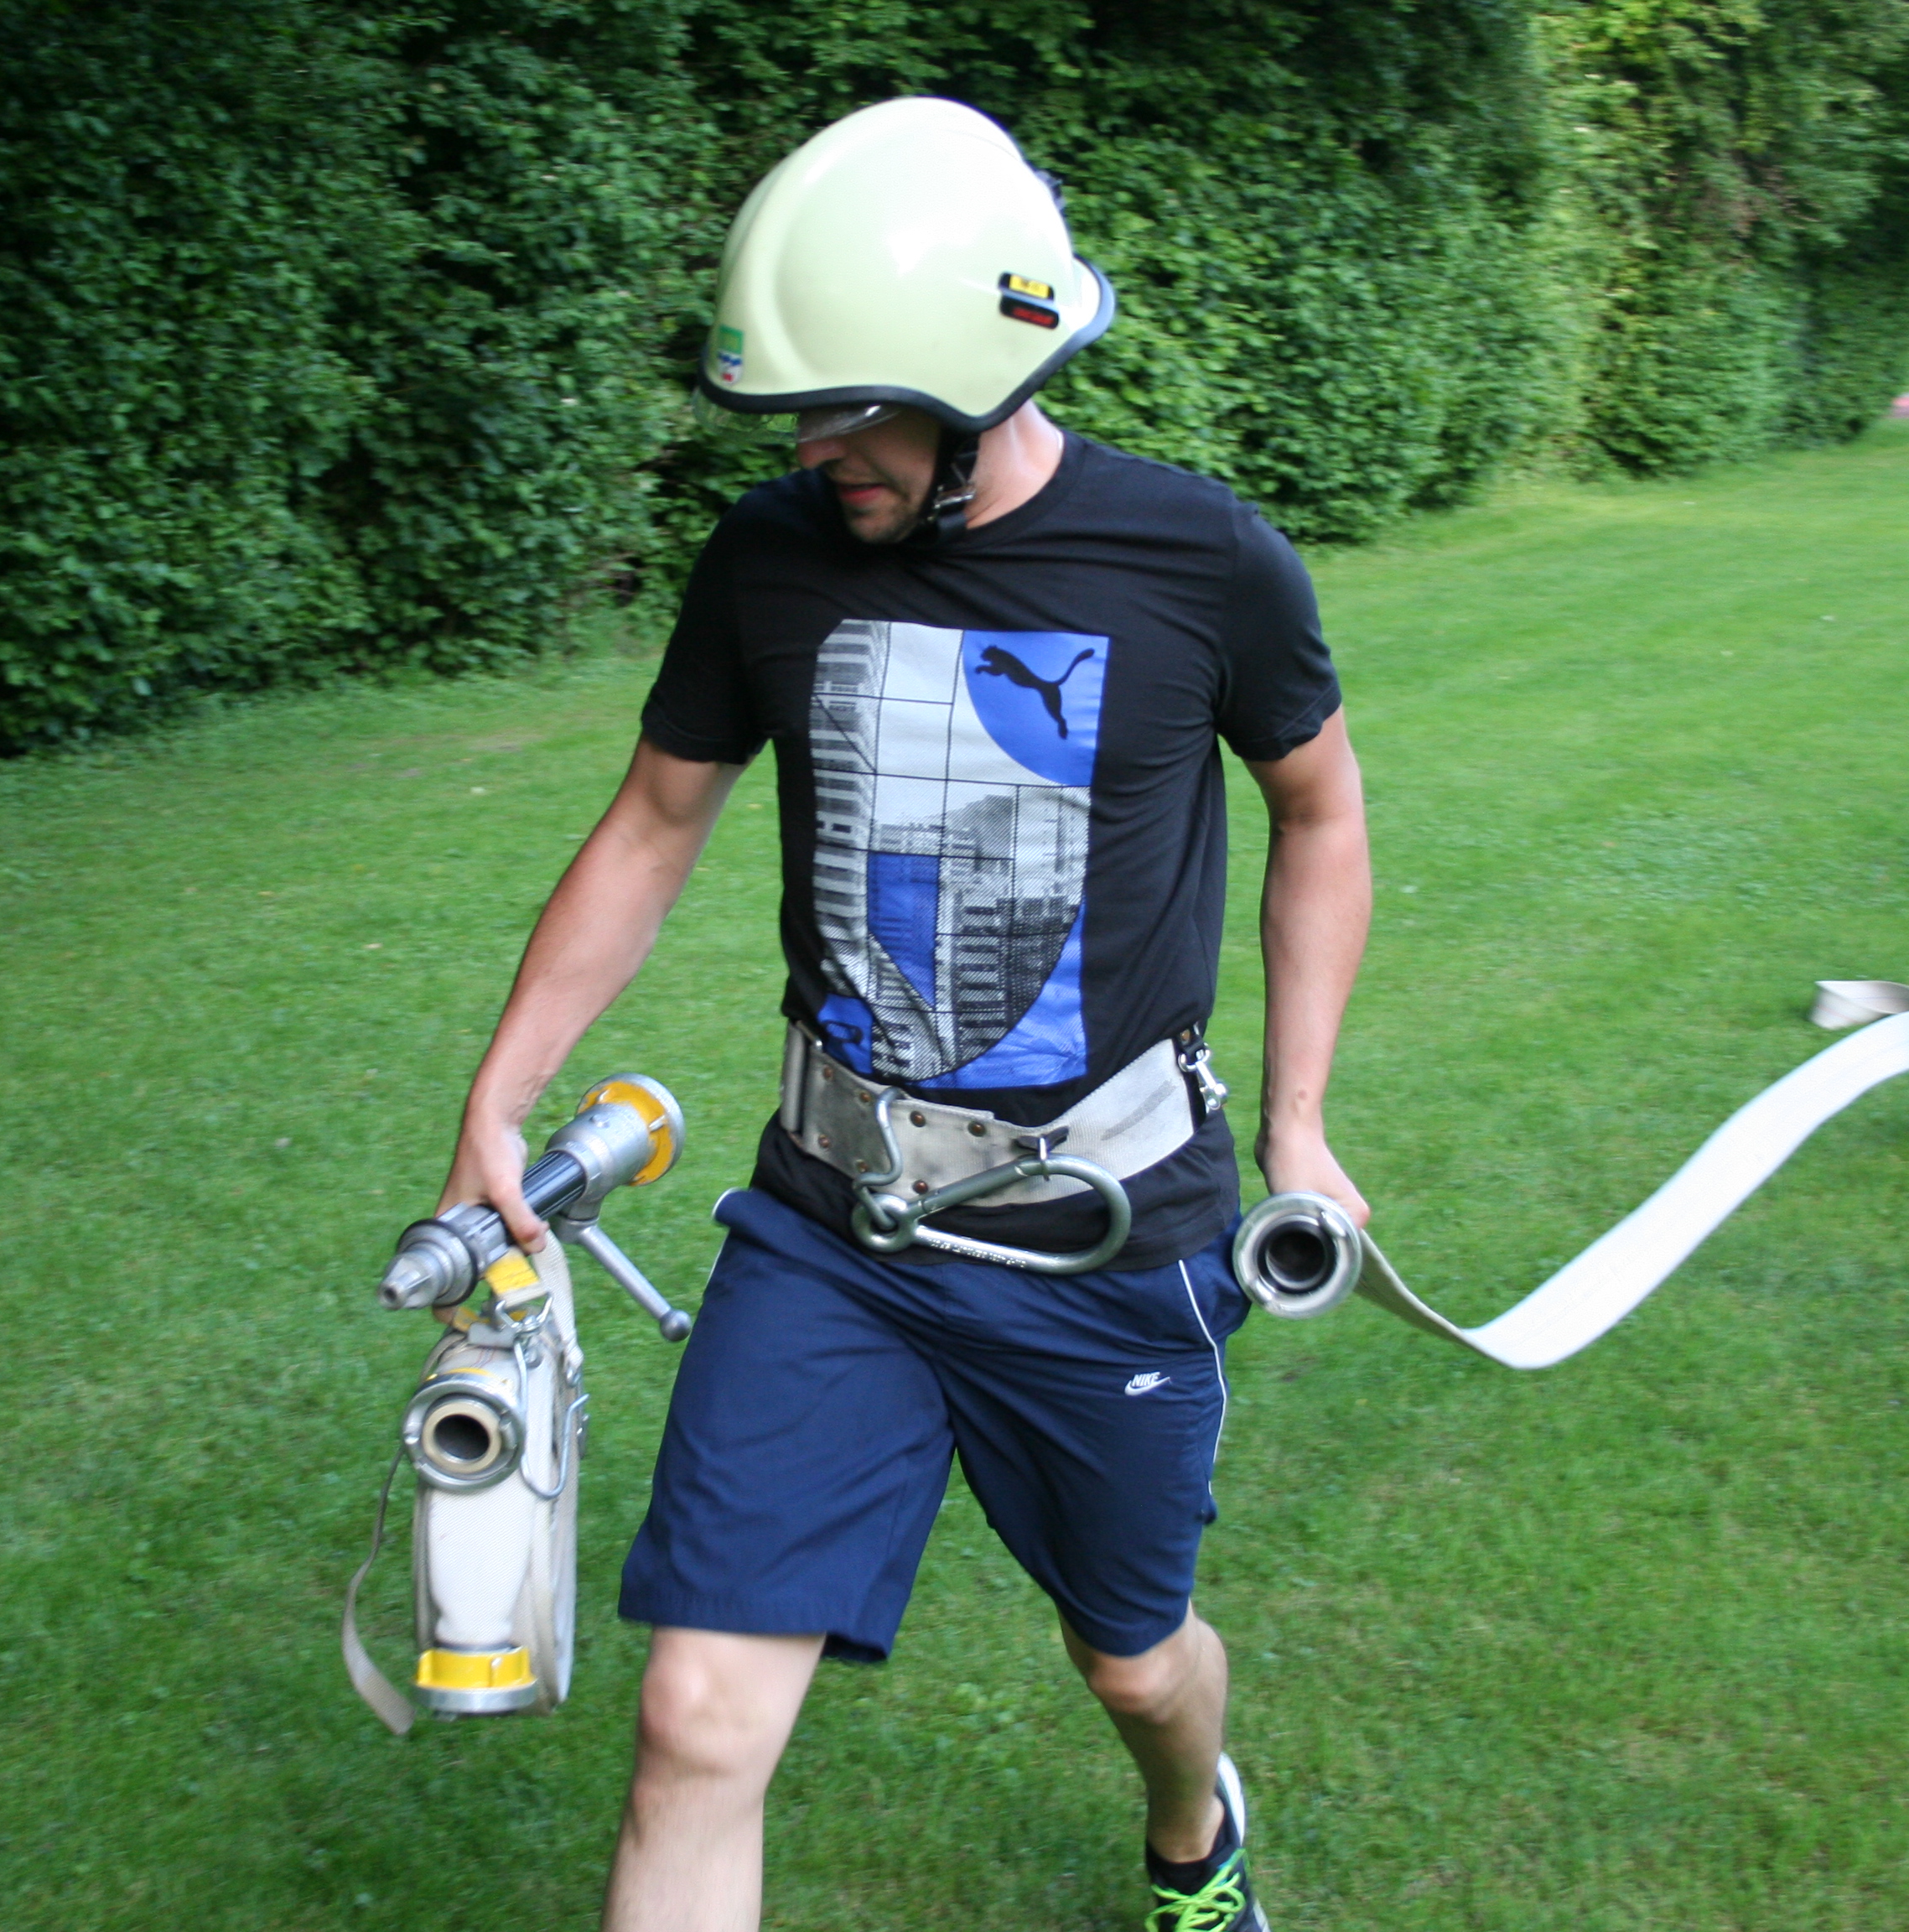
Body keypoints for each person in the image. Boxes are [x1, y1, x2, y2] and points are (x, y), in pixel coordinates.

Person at [437, 97, 1371, 1932]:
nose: (813, 449)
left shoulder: (1202, 562)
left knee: (1134, 1664)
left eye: (848, 408)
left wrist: (1301, 1123)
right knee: (696, 1718)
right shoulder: (768, 557)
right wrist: (502, 1090)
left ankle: (1192, 1827)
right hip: (834, 1224)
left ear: (982, 370)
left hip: (1105, 1236)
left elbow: (1321, 813)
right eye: (794, 412)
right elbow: (654, 822)